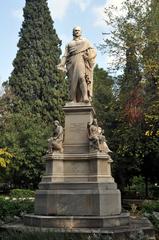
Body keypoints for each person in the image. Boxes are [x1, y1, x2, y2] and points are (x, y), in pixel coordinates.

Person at [57, 26, 96, 103]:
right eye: (75, 30)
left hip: (81, 60)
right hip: (71, 62)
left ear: (81, 32)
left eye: (78, 30)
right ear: (73, 32)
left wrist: (88, 56)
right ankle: (73, 99)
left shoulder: (85, 42)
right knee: (72, 81)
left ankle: (85, 96)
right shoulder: (69, 44)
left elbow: (93, 51)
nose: (77, 32)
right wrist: (61, 64)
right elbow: (65, 55)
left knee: (81, 77)